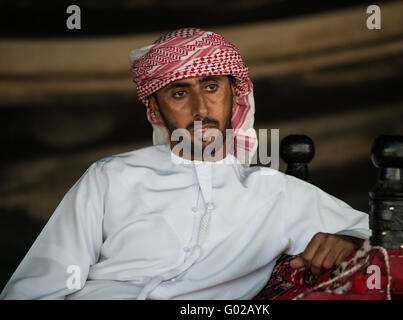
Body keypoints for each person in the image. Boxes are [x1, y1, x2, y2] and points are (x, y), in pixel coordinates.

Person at [0, 28, 370, 300]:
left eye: (211, 87)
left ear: (234, 98)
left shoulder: (277, 193)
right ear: (156, 109)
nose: (200, 109)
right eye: (179, 93)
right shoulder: (110, 178)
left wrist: (347, 241)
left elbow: (390, 247)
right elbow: (38, 287)